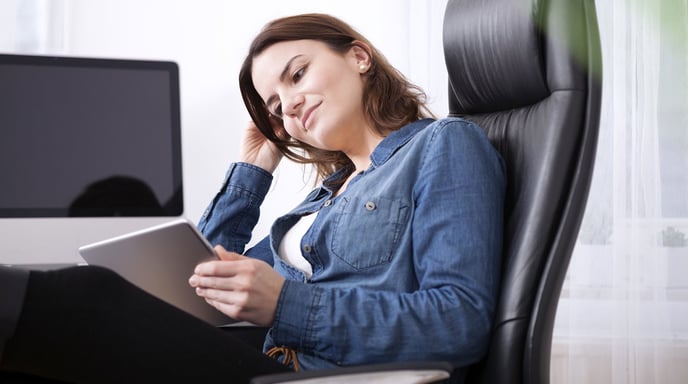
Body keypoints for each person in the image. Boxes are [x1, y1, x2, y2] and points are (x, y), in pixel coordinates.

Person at [0, 13, 505, 384]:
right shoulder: (320, 201)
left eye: (298, 74)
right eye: (275, 105)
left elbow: (459, 320)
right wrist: (253, 169)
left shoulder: (443, 144)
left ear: (359, 56)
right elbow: (199, 284)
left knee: (86, 297)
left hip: (331, 378)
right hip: (270, 365)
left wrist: (285, 304)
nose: (289, 105)